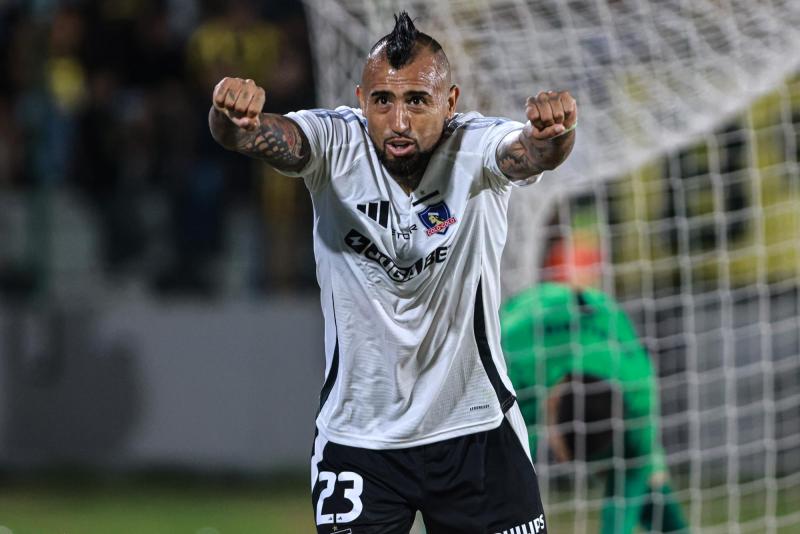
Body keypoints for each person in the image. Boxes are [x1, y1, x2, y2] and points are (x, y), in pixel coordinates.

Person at [209, 12, 576, 534]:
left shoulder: (475, 148)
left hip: (476, 430)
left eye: (416, 101)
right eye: (383, 100)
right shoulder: (333, 145)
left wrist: (554, 135)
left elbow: (531, 152)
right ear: (362, 100)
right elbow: (262, 137)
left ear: (449, 103)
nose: (398, 121)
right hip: (359, 443)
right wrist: (233, 121)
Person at [501, 282, 690, 533]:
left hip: (603, 328)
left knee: (648, 469)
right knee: (506, 471)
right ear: (552, 402)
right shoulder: (511, 359)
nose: (559, 459)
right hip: (528, 322)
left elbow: (631, 477)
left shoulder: (639, 392)